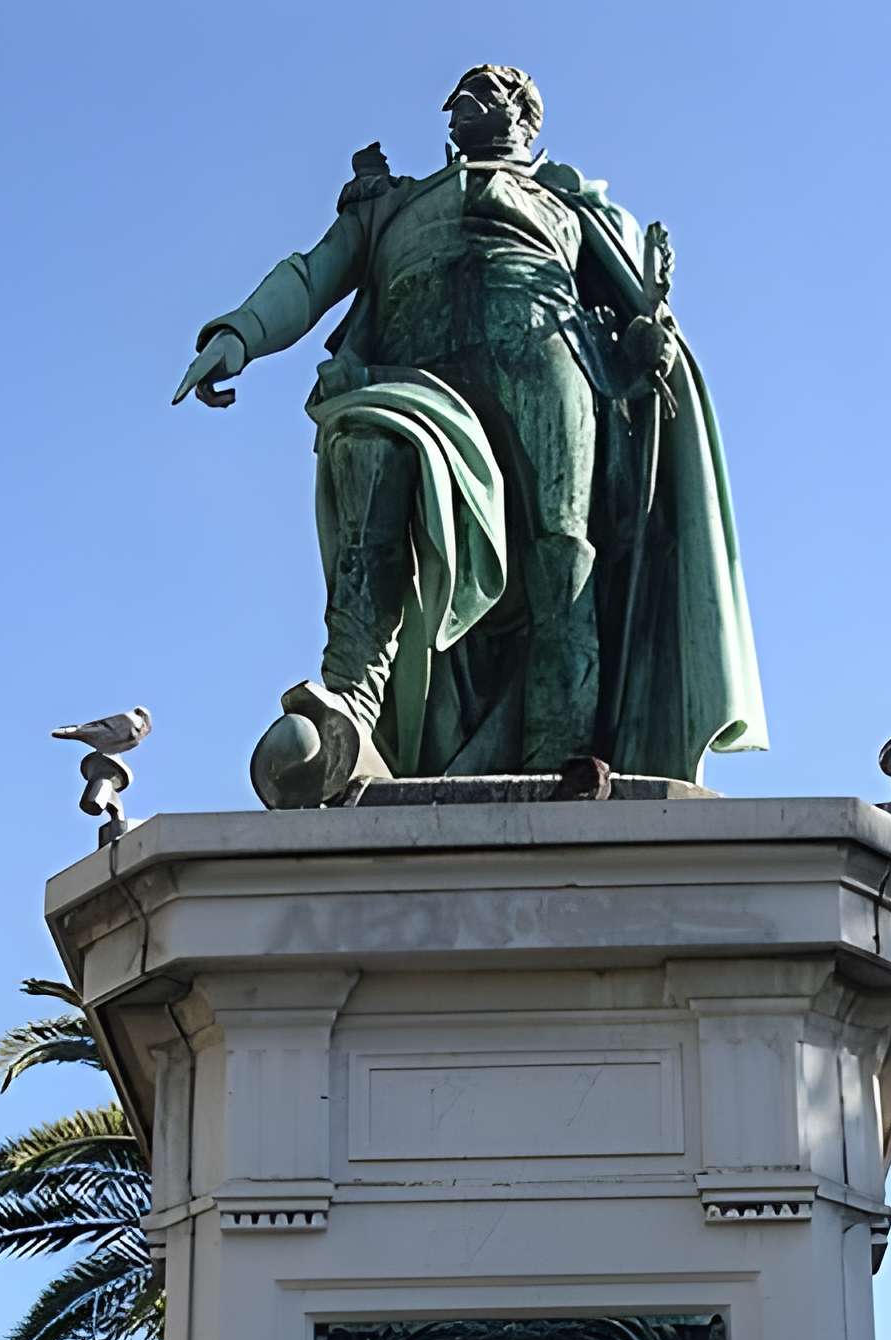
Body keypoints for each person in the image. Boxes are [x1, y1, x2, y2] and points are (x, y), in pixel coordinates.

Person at [174, 64, 766, 804]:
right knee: (369, 449)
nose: (460, 105)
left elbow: (633, 311)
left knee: (563, 547)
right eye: (457, 95)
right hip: (413, 370)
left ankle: (564, 753)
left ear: (524, 113)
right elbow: (311, 273)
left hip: (548, 358)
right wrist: (240, 333)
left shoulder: (569, 201)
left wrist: (653, 343)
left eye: (482, 92)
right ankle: (351, 707)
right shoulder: (390, 205)